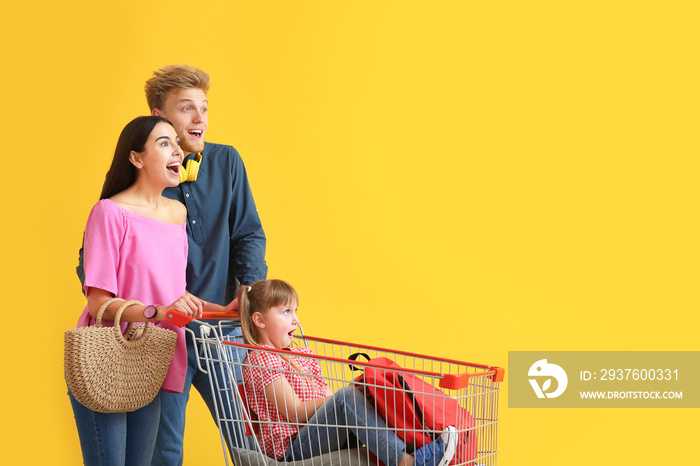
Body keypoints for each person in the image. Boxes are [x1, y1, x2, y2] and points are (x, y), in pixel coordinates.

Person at [69, 116, 236, 465]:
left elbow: (176, 295)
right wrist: (156, 313)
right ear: (136, 158)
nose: (178, 151)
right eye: (164, 143)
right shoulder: (110, 213)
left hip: (157, 358)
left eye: (177, 143)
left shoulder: (177, 213)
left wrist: (229, 309)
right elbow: (100, 301)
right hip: (110, 361)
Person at [146, 64, 268, 463]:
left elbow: (248, 233)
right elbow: (98, 254)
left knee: (251, 444)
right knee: (164, 452)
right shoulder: (140, 175)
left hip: (223, 330)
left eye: (204, 108)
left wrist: (250, 292)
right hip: (163, 338)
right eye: (186, 109)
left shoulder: (227, 162)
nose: (200, 118)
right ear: (159, 118)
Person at [239, 279, 458, 466]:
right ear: (259, 320)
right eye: (286, 312)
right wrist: (341, 398)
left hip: (319, 435)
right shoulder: (261, 359)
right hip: (292, 450)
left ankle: (426, 449)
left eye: (296, 311)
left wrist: (355, 394)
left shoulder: (303, 354)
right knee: (346, 398)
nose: (296, 319)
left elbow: (325, 398)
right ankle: (408, 461)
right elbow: (294, 412)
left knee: (371, 395)